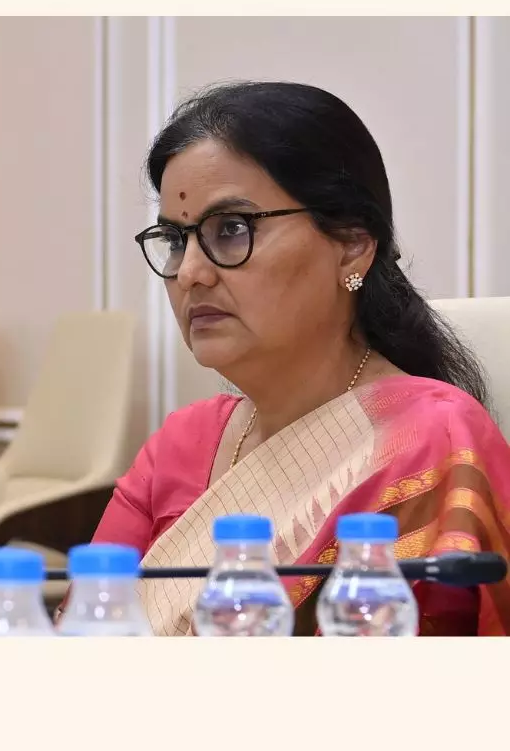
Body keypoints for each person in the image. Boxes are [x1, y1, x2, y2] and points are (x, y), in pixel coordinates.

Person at [87, 80, 510, 637]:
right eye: (175, 239)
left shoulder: (428, 442)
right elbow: (83, 639)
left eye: (231, 230)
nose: (189, 272)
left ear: (353, 245)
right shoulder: (180, 446)